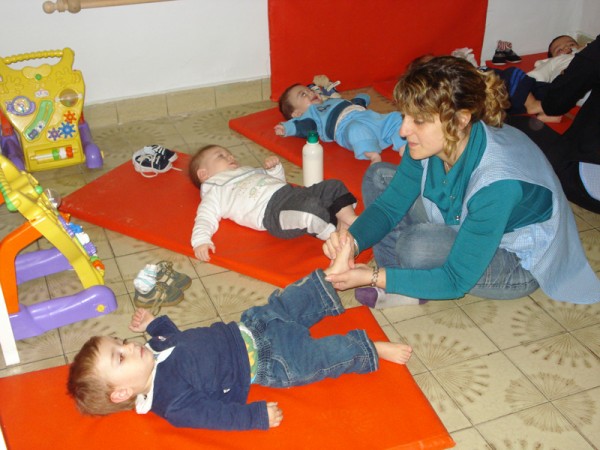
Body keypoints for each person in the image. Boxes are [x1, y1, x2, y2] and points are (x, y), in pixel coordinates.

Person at [322, 56, 600, 308]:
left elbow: (455, 280)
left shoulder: (498, 185)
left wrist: (372, 276)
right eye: (404, 115)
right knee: (379, 176)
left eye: (419, 121)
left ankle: (401, 280)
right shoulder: (437, 142)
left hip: (515, 260)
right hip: (468, 218)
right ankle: (404, 283)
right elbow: (388, 208)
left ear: (460, 119)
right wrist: (351, 242)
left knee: (415, 247)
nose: (404, 130)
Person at [66, 238, 413, 431]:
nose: (129, 347)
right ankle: (368, 349)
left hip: (251, 325)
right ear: (122, 392)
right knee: (319, 358)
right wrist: (255, 418)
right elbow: (214, 416)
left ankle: (332, 276)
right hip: (270, 362)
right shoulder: (171, 402)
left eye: (121, 343)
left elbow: (173, 336)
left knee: (290, 300)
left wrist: (152, 323)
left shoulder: (152, 351)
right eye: (120, 356)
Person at [188, 144, 357, 261]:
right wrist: (201, 241)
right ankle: (337, 240)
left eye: (229, 153)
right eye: (221, 156)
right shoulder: (214, 193)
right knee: (309, 211)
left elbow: (278, 182)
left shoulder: (246, 170)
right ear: (204, 174)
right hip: (273, 212)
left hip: (292, 192)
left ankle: (350, 220)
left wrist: (274, 170)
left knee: (333, 185)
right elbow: (204, 219)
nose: (230, 156)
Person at [508, 34, 600, 213]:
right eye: (559, 49)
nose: (567, 48)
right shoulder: (555, 63)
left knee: (512, 124)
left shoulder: (591, 55)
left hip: (589, 182)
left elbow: (555, 103)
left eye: (571, 44)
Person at [274, 83, 406, 164]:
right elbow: (302, 127)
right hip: (346, 126)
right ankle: (372, 155)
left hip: (370, 118)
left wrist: (361, 98)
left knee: (397, 117)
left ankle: (403, 145)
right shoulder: (311, 115)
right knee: (356, 129)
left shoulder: (330, 101)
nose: (310, 92)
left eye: (309, 90)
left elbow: (353, 104)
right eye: (303, 94)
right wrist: (286, 128)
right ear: (297, 114)